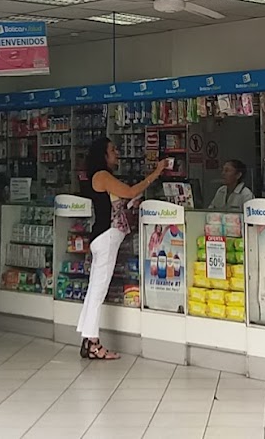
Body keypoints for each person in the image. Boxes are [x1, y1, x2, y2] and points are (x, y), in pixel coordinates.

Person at [77, 137, 169, 360]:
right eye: (112, 150)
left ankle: (87, 339)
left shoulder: (100, 176)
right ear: (103, 154)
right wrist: (156, 173)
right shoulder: (102, 176)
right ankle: (93, 343)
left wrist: (130, 203)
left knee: (94, 290)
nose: (116, 153)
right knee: (98, 291)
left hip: (104, 237)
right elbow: (129, 191)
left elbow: (117, 203)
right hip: (106, 237)